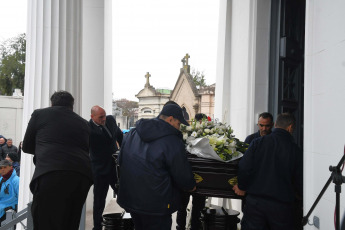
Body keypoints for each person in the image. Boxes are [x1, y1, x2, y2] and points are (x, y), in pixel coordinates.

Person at [117, 104, 196, 230]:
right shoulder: (172, 141)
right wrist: (190, 185)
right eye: (178, 124)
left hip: (132, 199)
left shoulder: (132, 133)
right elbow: (180, 172)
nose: (179, 128)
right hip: (157, 204)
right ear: (170, 119)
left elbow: (120, 160)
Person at [22, 90, 93, 230]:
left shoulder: (39, 114)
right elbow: (86, 149)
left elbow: (26, 147)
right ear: (72, 106)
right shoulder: (84, 123)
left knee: (44, 221)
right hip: (81, 176)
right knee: (69, 221)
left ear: (52, 104)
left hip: (51, 174)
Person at [233, 113, 303, 230]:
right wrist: (300, 198)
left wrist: (242, 186)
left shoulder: (257, 143)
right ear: (290, 127)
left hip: (255, 203)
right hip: (282, 206)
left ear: (274, 124)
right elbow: (299, 178)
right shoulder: (295, 150)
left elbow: (244, 167)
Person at [89, 105, 123, 230]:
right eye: (100, 117)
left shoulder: (110, 120)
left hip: (115, 168)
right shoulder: (88, 128)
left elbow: (120, 136)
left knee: (124, 194)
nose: (103, 119)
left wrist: (123, 152)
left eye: (104, 116)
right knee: (99, 200)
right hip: (99, 170)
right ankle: (97, 227)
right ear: (92, 117)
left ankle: (134, 220)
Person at [176, 113, 207, 230]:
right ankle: (182, 226)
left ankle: (193, 226)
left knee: (197, 207)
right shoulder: (187, 134)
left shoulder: (206, 136)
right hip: (189, 176)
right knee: (182, 206)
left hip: (200, 177)